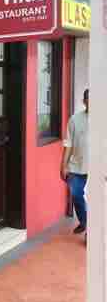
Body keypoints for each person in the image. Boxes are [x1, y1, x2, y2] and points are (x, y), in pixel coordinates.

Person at [61, 88, 89, 235]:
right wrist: (63, 165)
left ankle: (91, 232)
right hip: (77, 165)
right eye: (89, 99)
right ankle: (85, 222)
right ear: (84, 101)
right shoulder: (74, 119)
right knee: (76, 194)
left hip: (97, 167)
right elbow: (68, 144)